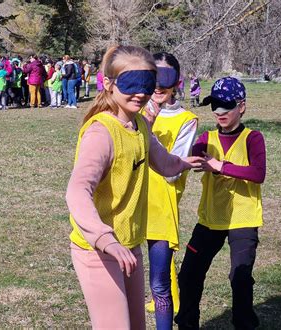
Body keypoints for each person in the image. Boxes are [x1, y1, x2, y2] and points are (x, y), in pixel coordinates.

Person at [65, 45, 203, 329]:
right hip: (98, 251)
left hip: (128, 247)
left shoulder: (139, 124)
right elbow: (77, 192)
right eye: (131, 84)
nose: (140, 93)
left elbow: (163, 163)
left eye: (147, 84)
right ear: (108, 84)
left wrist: (189, 163)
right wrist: (106, 240)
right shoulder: (101, 132)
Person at [174, 77, 266, 330]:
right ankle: (187, 324)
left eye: (226, 105)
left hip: (243, 220)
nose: (219, 112)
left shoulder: (252, 138)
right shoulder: (206, 137)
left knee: (241, 278)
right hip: (210, 219)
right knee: (189, 275)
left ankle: (244, 324)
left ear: (242, 106)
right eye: (214, 105)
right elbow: (192, 154)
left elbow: (258, 173)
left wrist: (220, 166)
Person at [145, 52, 198, 330]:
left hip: (160, 209)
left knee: (159, 285)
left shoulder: (187, 119)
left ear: (176, 82)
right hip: (129, 204)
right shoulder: (132, 110)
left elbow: (173, 172)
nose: (158, 86)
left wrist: (148, 131)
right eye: (154, 76)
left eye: (166, 78)